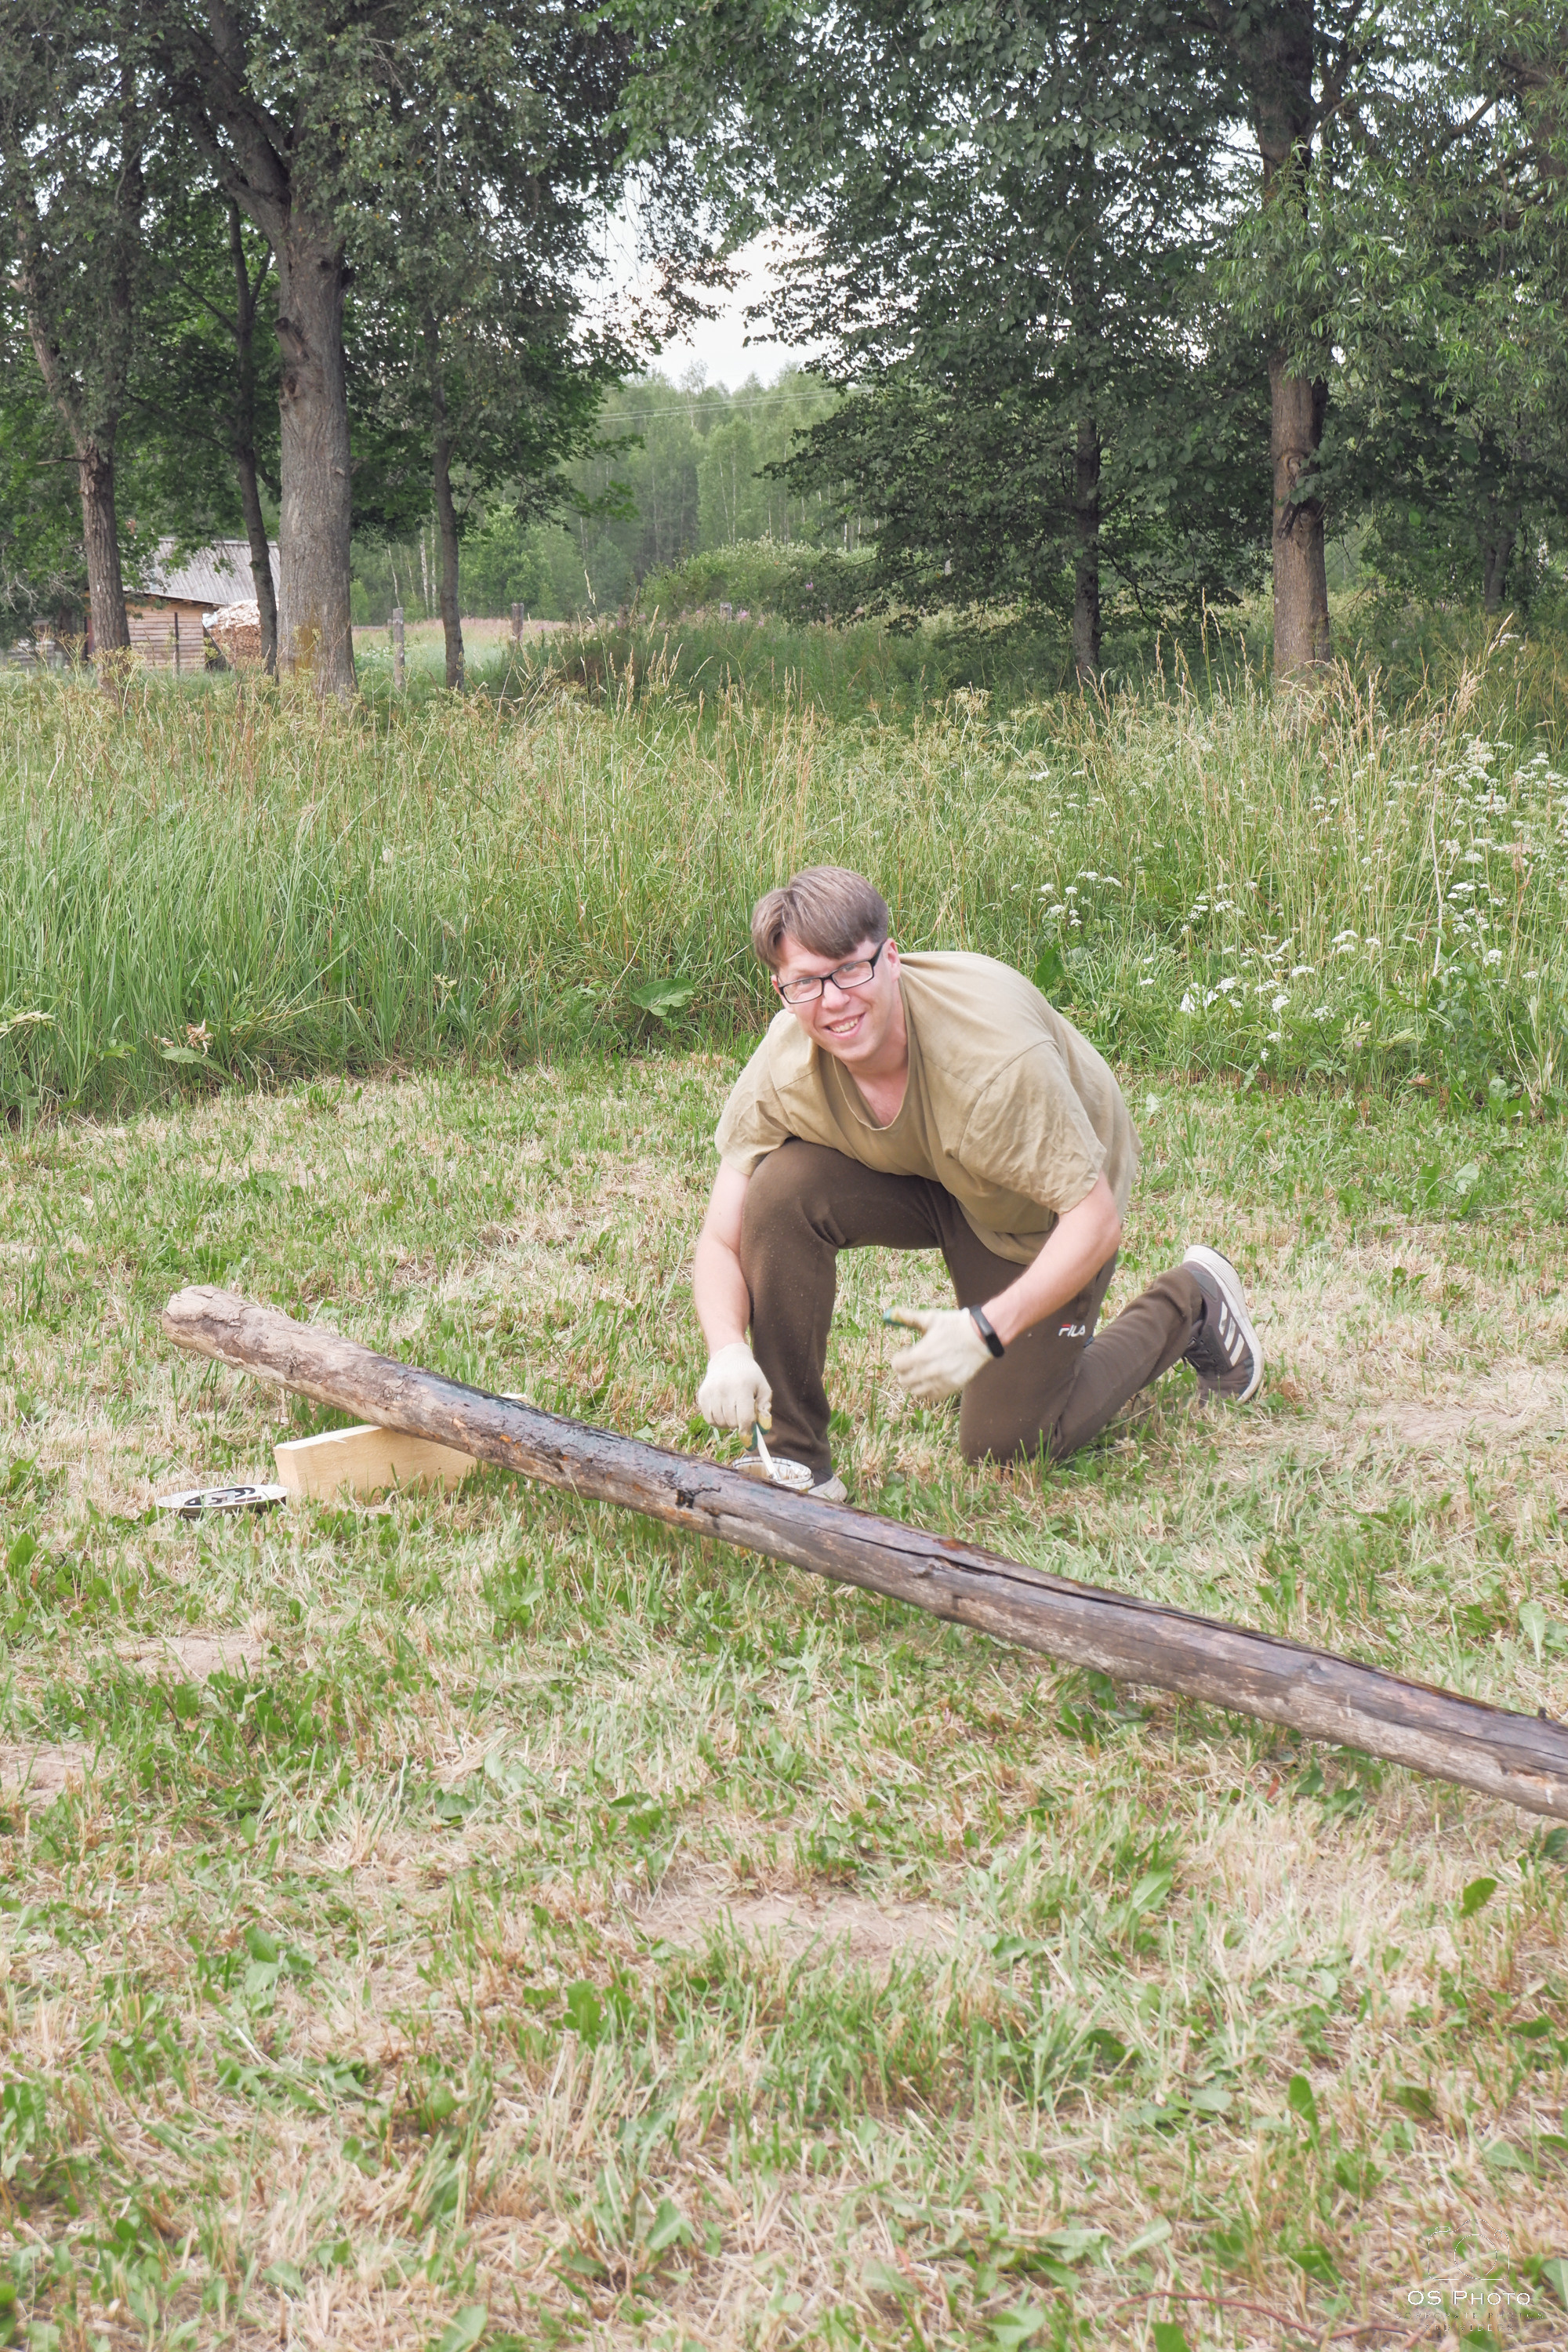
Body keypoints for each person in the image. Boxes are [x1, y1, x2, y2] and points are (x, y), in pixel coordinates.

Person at [692, 866, 1262, 1498]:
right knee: (779, 1190)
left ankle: (1192, 1302)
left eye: (850, 969)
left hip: (1036, 1200)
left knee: (1009, 1443)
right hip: (933, 1168)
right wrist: (726, 1350)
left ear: (891, 959)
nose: (831, 1001)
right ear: (781, 989)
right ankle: (797, 1458)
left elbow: (1095, 1221)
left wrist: (985, 1328)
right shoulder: (786, 1064)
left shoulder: (993, 1069)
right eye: (805, 983)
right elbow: (723, 1236)